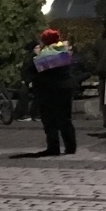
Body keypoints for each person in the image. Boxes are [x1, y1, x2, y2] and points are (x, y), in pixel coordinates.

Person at [30, 28, 77, 157]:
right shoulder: (63, 51)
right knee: (65, 119)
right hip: (65, 88)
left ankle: (53, 147)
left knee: (49, 120)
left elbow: (33, 70)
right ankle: (70, 147)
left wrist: (34, 55)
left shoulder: (44, 55)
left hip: (49, 90)